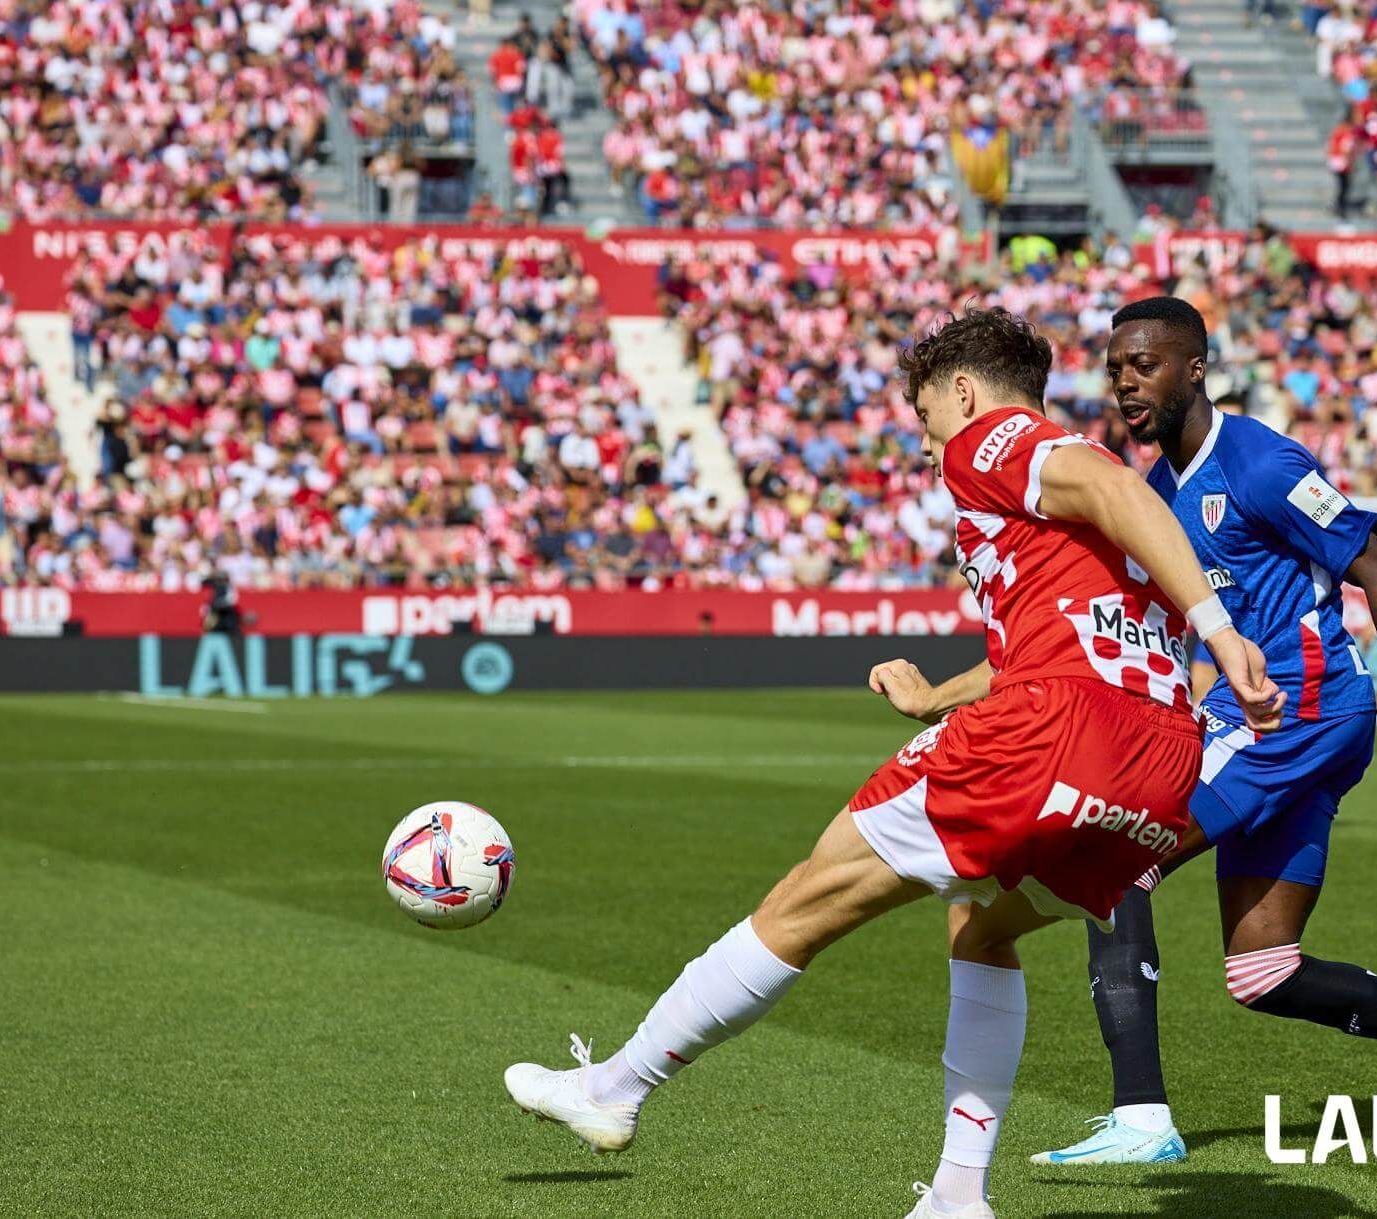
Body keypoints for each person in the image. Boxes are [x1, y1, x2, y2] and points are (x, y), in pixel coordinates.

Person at [502, 308, 1283, 1219]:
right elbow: (1069, 631)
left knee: (809, 894)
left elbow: (1111, 487)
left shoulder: (994, 441)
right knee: (981, 929)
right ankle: (958, 1196)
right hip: (1154, 759)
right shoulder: (1068, 533)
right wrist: (936, 699)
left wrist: (1223, 632)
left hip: (1055, 732)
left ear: (962, 391)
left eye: (925, 419)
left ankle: (616, 1088)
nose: (926, 447)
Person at [877, 298, 1377, 1169]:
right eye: (1116, 366)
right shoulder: (1153, 497)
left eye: (1145, 364)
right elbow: (1083, 633)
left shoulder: (1263, 463)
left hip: (1302, 712)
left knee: (1117, 851)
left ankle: (1141, 1117)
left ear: (1194, 369)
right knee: (1262, 969)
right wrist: (943, 694)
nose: (1126, 381)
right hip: (1277, 724)